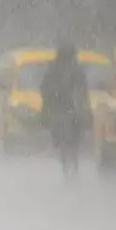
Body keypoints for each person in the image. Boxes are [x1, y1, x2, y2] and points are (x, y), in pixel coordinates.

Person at [39, 40, 91, 177]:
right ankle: (71, 167)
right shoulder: (73, 69)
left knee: (68, 143)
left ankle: (69, 167)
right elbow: (83, 92)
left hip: (62, 112)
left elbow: (44, 90)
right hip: (66, 112)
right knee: (71, 143)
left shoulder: (55, 68)